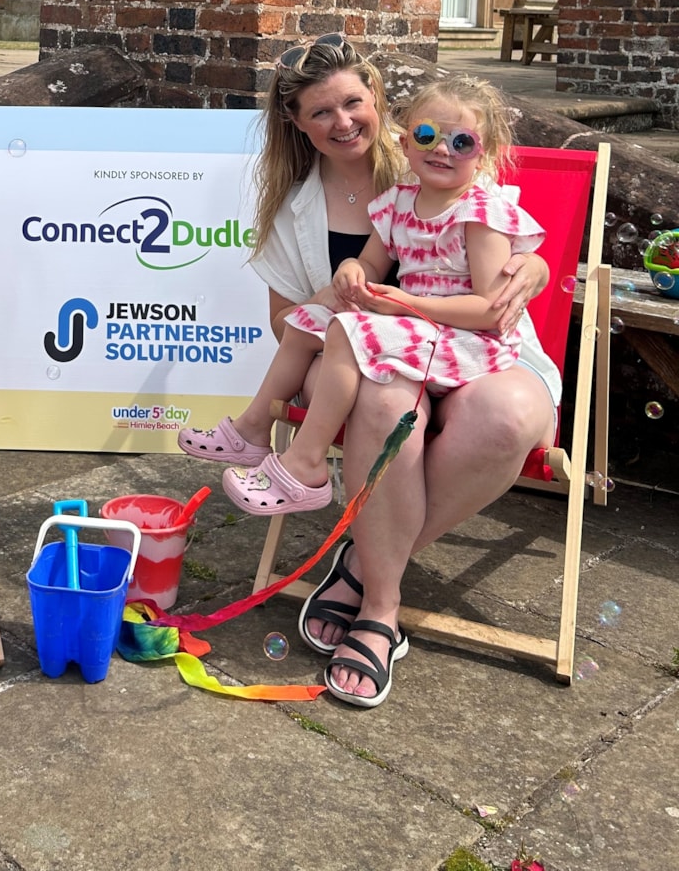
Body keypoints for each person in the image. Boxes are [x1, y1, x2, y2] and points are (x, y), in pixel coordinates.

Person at [177, 35, 553, 708]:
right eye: (321, 112)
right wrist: (348, 293)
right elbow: (287, 322)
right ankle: (381, 607)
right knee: (383, 407)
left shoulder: (435, 155)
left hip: (472, 348)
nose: (343, 121)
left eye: (354, 102)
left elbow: (504, 249)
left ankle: (357, 558)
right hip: (363, 357)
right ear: (296, 123)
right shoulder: (299, 204)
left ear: (378, 100)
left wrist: (540, 267)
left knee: (507, 417)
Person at [222, 75, 544, 532]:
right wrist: (352, 270)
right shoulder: (399, 202)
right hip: (415, 332)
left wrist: (534, 266)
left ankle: (306, 462)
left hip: (460, 338)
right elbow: (372, 263)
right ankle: (252, 429)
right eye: (427, 135)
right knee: (305, 318)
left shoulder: (475, 206)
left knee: (348, 329)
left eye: (462, 142)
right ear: (406, 140)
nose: (442, 149)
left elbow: (492, 307)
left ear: (484, 153)